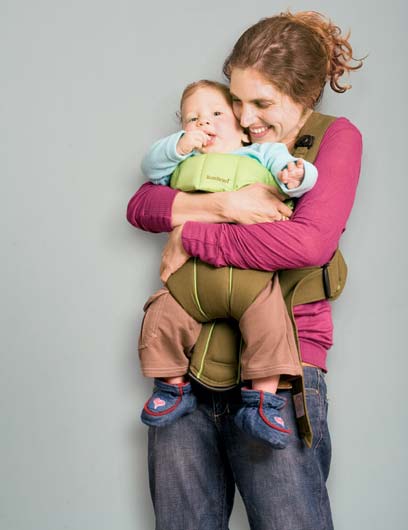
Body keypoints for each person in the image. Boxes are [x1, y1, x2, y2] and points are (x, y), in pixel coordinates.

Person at [127, 10, 363, 530]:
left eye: (262, 103)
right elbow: (142, 204)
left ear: (302, 94)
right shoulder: (220, 133)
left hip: (282, 372)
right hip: (190, 366)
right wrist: (225, 206)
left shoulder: (332, 140)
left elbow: (306, 243)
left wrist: (190, 234)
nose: (244, 116)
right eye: (236, 100)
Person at [138, 79, 319, 450]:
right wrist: (179, 146)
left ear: (242, 127)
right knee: (161, 317)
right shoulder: (182, 163)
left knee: (271, 326)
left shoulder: (262, 154)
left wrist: (296, 175)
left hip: (251, 280)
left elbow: (295, 174)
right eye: (193, 119)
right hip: (191, 281)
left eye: (217, 113)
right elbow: (150, 169)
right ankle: (171, 386)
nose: (205, 122)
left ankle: (264, 400)